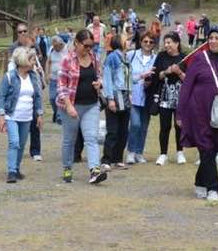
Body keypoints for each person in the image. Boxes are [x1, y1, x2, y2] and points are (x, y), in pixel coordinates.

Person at [177, 25, 218, 202]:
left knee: (212, 151)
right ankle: (213, 188)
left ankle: (200, 181)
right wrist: (180, 113)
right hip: (199, 113)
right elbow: (186, 87)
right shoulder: (199, 59)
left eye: (217, 38)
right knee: (206, 148)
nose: (213, 41)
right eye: (211, 38)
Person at [56, 29, 108, 185]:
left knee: (91, 138)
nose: (88, 49)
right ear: (76, 43)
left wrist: (100, 83)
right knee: (69, 140)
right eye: (86, 46)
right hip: (71, 105)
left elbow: (99, 75)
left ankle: (94, 171)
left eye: (91, 46)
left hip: (91, 104)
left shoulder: (94, 58)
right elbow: (61, 86)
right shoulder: (67, 60)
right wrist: (68, 105)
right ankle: (67, 168)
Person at [0, 47, 45, 183]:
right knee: (14, 142)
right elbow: (1, 96)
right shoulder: (9, 76)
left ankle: (16, 168)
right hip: (11, 115)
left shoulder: (34, 76)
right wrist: (0, 116)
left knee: (22, 144)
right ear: (23, 60)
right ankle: (11, 171)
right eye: (31, 59)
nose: (34, 62)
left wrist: (39, 114)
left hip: (27, 117)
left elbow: (38, 97)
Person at [153, 32, 187, 166]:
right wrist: (166, 72)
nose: (166, 45)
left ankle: (180, 152)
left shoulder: (184, 58)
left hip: (181, 98)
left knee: (179, 126)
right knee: (165, 126)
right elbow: (157, 75)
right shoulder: (161, 56)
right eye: (165, 43)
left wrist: (179, 72)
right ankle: (163, 154)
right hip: (165, 96)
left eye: (169, 42)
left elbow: (189, 79)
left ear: (177, 43)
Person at [126, 31, 158, 164]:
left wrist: (150, 82)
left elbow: (157, 77)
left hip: (147, 97)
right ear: (140, 42)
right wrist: (141, 76)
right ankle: (131, 151)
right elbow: (125, 76)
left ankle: (139, 152)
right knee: (135, 124)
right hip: (133, 95)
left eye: (151, 42)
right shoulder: (131, 55)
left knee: (144, 126)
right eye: (145, 41)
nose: (148, 44)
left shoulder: (156, 59)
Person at [102, 33, 132, 170]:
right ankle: (106, 159)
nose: (129, 41)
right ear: (120, 42)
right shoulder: (112, 57)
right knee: (113, 130)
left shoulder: (126, 58)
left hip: (126, 95)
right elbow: (107, 79)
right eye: (126, 39)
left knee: (123, 130)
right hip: (115, 95)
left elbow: (128, 78)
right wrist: (110, 99)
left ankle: (118, 158)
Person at [47, 35, 66, 124]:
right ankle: (56, 112)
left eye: (56, 46)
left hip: (63, 79)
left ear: (61, 44)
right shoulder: (51, 50)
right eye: (53, 46)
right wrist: (47, 74)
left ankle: (59, 116)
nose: (55, 48)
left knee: (60, 97)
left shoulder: (66, 50)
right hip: (53, 78)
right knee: (52, 98)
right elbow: (48, 62)